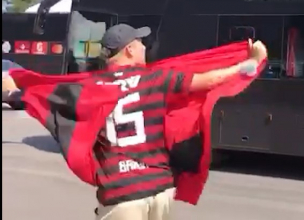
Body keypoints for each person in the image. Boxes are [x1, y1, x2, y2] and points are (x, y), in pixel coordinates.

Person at [83, 23, 267, 220]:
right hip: (158, 188)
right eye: (140, 42)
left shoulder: (92, 88)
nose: (145, 46)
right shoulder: (157, 78)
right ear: (129, 50)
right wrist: (250, 62)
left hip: (121, 192)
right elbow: (210, 80)